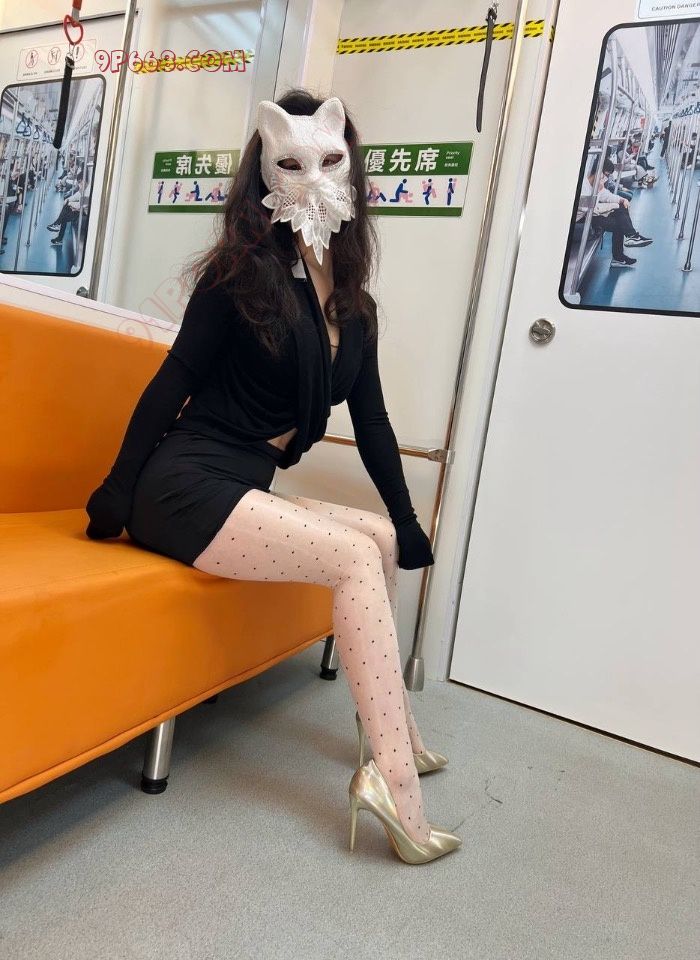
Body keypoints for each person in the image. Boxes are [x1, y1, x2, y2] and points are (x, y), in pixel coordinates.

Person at [84, 89, 462, 866]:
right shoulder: (238, 274)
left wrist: (408, 517)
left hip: (241, 487)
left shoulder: (354, 307)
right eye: (291, 162)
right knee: (353, 556)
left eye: (330, 160)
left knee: (380, 538)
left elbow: (375, 423)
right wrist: (117, 490)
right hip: (183, 486)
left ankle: (393, 736)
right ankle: (395, 789)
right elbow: (172, 382)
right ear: (265, 171)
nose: (313, 177)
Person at [576, 159, 652, 267]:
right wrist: (614, 205)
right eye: (606, 175)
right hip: (581, 222)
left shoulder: (596, 184)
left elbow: (606, 195)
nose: (606, 179)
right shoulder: (582, 187)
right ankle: (621, 252)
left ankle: (631, 238)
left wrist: (621, 200)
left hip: (591, 216)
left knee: (621, 209)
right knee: (619, 221)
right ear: (598, 172)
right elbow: (592, 209)